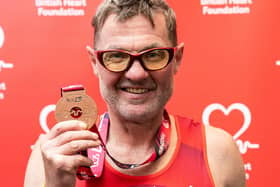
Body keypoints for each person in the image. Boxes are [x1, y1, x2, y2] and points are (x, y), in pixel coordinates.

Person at [24, 0, 246, 186]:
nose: (137, 73)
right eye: (117, 57)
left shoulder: (218, 152)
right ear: (95, 62)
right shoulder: (53, 157)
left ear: (176, 59)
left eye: (154, 55)